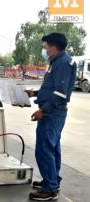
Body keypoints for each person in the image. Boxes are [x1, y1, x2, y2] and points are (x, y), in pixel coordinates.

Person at [25, 33, 76, 201]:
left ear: (53, 47)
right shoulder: (58, 62)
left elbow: (60, 93)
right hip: (54, 111)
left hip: (52, 113)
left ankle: (50, 190)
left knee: (44, 149)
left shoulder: (62, 63)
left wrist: (43, 111)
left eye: (45, 47)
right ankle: (52, 181)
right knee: (53, 148)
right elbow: (52, 89)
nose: (44, 50)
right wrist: (35, 93)